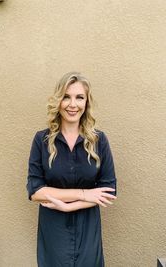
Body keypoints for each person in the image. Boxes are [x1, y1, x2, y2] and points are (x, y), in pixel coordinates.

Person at [26, 71, 117, 267]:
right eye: (66, 97)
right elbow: (35, 191)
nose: (73, 104)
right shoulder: (41, 140)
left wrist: (68, 205)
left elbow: (108, 191)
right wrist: (85, 194)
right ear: (58, 101)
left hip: (88, 232)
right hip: (53, 232)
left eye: (79, 97)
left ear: (86, 103)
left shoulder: (99, 141)